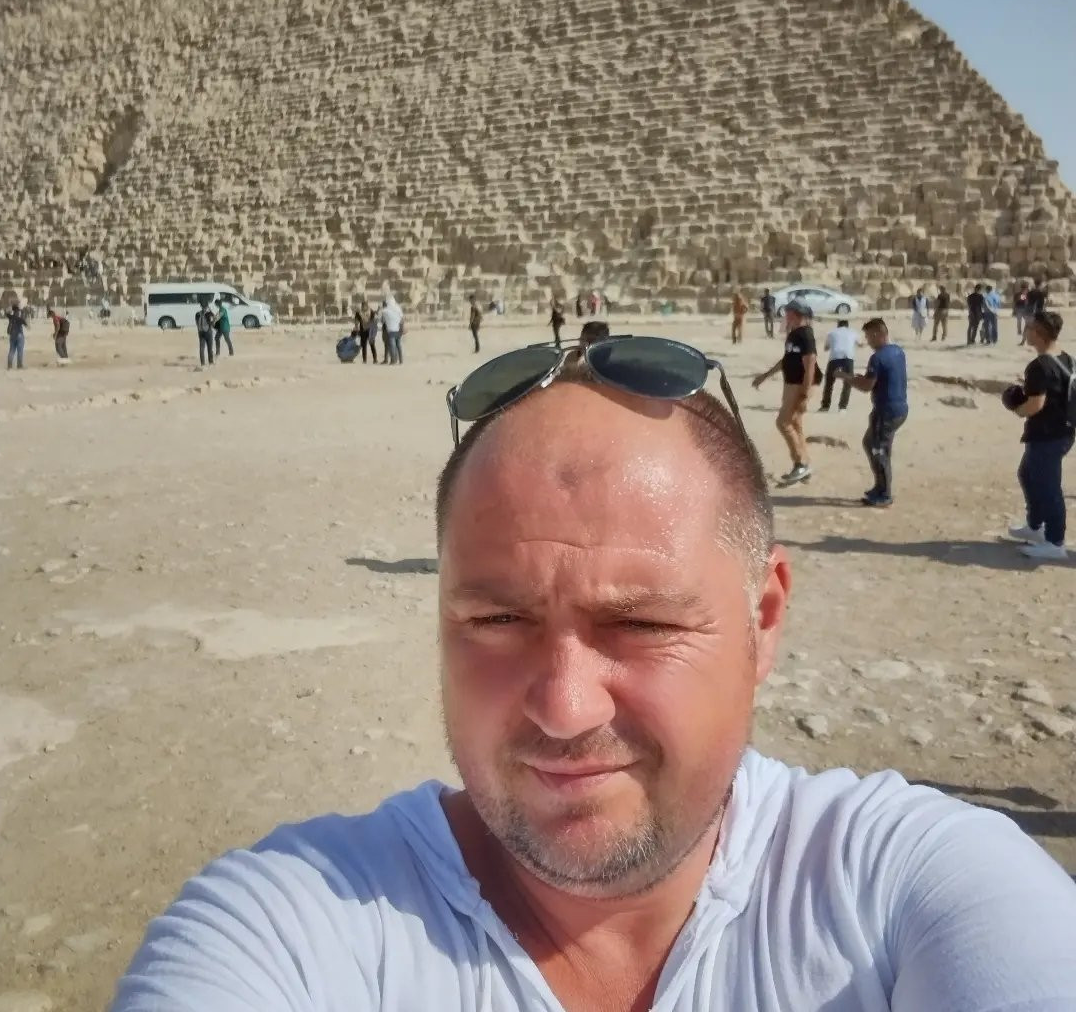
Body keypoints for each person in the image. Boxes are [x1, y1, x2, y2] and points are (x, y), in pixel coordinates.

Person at [112, 350, 1076, 1010]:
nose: (566, 707)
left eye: (643, 623)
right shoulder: (288, 925)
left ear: (764, 620)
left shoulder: (914, 888)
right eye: (497, 621)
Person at [1006, 311, 1074, 561]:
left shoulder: (1039, 366)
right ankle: (1035, 526)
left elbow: (1035, 405)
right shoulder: (1067, 359)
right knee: (1027, 475)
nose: (1026, 331)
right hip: (1062, 432)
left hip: (1047, 435)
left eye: (1030, 328)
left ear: (1039, 333)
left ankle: (1055, 542)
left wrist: (1016, 408)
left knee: (1048, 487)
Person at [837, 318, 908, 508]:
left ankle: (884, 494)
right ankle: (880, 487)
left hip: (886, 410)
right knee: (872, 443)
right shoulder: (897, 351)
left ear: (877, 334)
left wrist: (846, 377)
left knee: (878, 449)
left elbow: (867, 386)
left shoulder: (877, 358)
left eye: (869, 336)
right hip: (898, 408)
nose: (867, 341)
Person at [752, 300, 816, 484]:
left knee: (783, 422)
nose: (785, 316)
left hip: (799, 385)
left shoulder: (806, 335)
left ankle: (800, 464)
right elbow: (786, 360)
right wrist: (765, 376)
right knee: (795, 425)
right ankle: (805, 464)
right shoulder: (793, 335)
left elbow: (810, 365)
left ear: (795, 314)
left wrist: (805, 393)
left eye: (788, 312)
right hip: (790, 384)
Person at [819, 318, 858, 412]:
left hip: (835, 358)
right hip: (848, 357)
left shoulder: (831, 332)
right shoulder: (852, 332)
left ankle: (825, 406)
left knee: (829, 382)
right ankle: (843, 407)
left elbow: (826, 348)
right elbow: (860, 344)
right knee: (848, 382)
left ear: (838, 326)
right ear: (847, 326)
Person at [381, 295, 404, 365]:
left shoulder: (385, 310)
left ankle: (393, 360)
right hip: (398, 329)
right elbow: (402, 318)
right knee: (398, 345)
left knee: (392, 346)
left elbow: (382, 320)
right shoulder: (398, 308)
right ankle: (401, 360)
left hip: (391, 330)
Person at [194, 300, 215, 367]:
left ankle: (203, 363)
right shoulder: (209, 314)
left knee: (202, 348)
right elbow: (212, 323)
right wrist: (211, 312)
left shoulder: (198, 314)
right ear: (207, 306)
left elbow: (197, 323)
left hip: (202, 332)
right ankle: (210, 362)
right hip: (207, 332)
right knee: (209, 348)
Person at [6, 303, 27, 369]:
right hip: (19, 335)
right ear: (18, 311)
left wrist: (11, 308)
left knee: (11, 350)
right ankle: (19, 365)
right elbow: (27, 325)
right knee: (20, 351)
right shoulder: (20, 318)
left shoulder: (11, 317)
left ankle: (9, 365)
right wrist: (23, 313)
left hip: (12, 335)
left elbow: (7, 312)